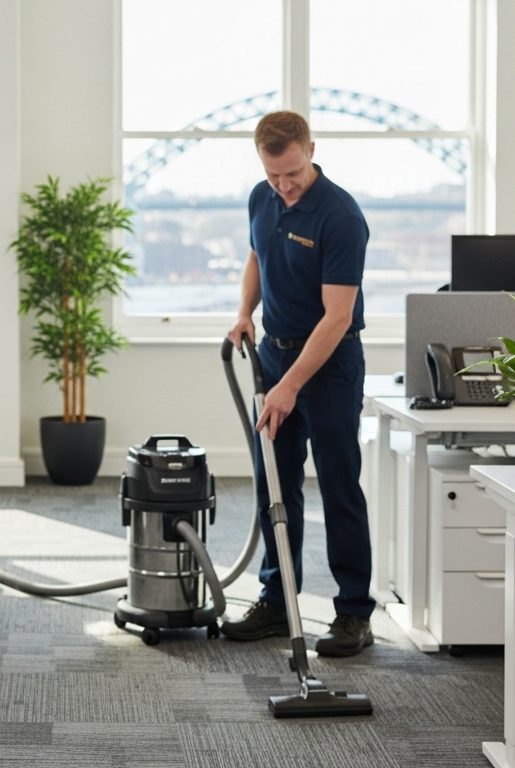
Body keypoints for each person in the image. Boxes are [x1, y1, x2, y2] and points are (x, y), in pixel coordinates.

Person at [221, 110, 375, 657]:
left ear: (311, 148)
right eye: (273, 176)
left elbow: (336, 317)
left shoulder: (340, 216)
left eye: (292, 173)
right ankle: (276, 598)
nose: (283, 186)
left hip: (329, 368)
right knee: (274, 486)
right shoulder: (261, 198)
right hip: (273, 358)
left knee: (338, 486)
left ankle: (354, 613)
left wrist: (289, 386)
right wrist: (245, 310)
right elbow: (258, 254)